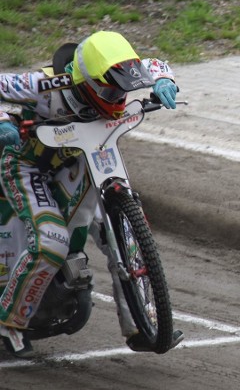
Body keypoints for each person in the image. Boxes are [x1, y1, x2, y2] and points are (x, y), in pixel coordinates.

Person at [0, 31, 180, 357]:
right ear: (89, 83)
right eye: (112, 88)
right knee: (52, 241)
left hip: (83, 162)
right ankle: (8, 323)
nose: (120, 94)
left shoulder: (118, 73)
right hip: (28, 167)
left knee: (123, 239)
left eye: (126, 86)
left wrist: (165, 80)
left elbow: (155, 64)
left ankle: (141, 327)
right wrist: (3, 122)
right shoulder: (44, 86)